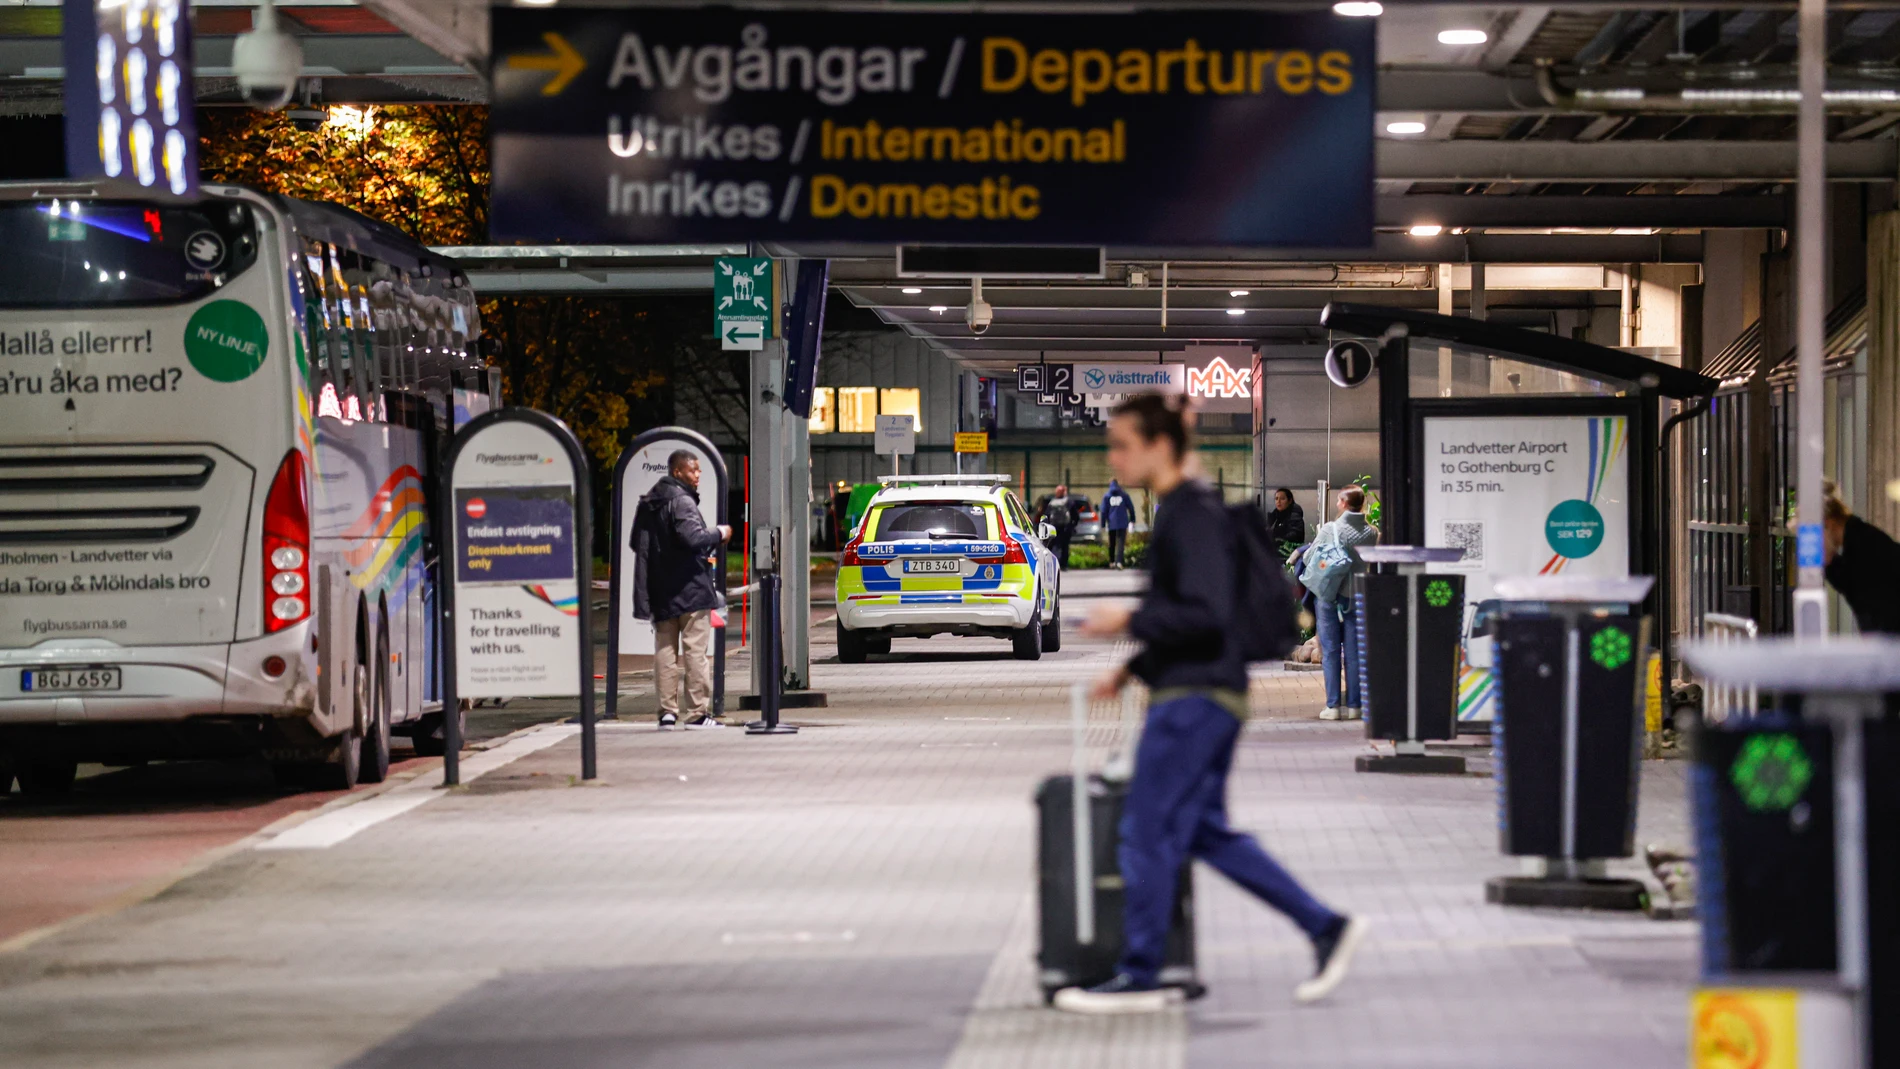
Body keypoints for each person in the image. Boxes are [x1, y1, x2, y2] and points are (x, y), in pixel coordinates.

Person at [1055, 393, 1366, 1015]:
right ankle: (1323, 926)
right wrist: (1134, 667)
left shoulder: (1187, 514)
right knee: (1202, 830)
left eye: (1122, 444)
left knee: (1144, 830)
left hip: (1193, 698)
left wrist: (1130, 617)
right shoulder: (1188, 509)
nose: (1112, 456)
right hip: (1207, 689)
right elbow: (1202, 612)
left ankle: (1143, 973)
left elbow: (1203, 612)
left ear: (1160, 446)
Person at [632, 451, 732, 729]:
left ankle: (666, 712)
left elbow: (638, 545)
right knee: (694, 653)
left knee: (665, 651)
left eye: (699, 471)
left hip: (661, 588)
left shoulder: (650, 502)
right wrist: (720, 533)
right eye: (693, 470)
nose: (697, 475)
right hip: (689, 589)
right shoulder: (682, 501)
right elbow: (693, 538)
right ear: (677, 472)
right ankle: (698, 714)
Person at [1311, 487, 1379, 721]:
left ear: (1342, 503)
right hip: (1357, 596)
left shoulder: (1331, 529)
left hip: (1330, 596)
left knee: (1330, 651)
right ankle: (1354, 706)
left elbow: (1312, 557)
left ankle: (1332, 706)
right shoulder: (1372, 533)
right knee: (1354, 652)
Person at [1822, 482, 1900, 634]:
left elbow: (1858, 591)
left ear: (1829, 525)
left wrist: (1828, 559)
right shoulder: (1859, 539)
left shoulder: (1862, 545)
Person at [1036, 483, 1082, 566]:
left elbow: (1046, 515)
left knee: (1052, 546)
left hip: (1054, 528)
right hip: (1065, 528)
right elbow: (1076, 516)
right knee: (1065, 547)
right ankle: (1064, 565)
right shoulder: (1069, 502)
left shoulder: (1052, 502)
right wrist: (1073, 525)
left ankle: (1051, 563)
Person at [1101, 479, 1135, 568]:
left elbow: (1103, 511)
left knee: (1112, 542)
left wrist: (1103, 524)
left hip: (1112, 522)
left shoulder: (1107, 496)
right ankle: (1119, 561)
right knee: (1121, 543)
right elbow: (1131, 508)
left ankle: (1111, 561)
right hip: (1122, 522)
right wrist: (1132, 519)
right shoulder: (1124, 495)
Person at [1267, 487, 1306, 559]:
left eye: (1282, 499)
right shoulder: (1276, 515)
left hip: (1288, 555)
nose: (1278, 501)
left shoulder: (1294, 516)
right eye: (1276, 499)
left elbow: (1294, 536)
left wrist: (1276, 539)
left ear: (1290, 500)